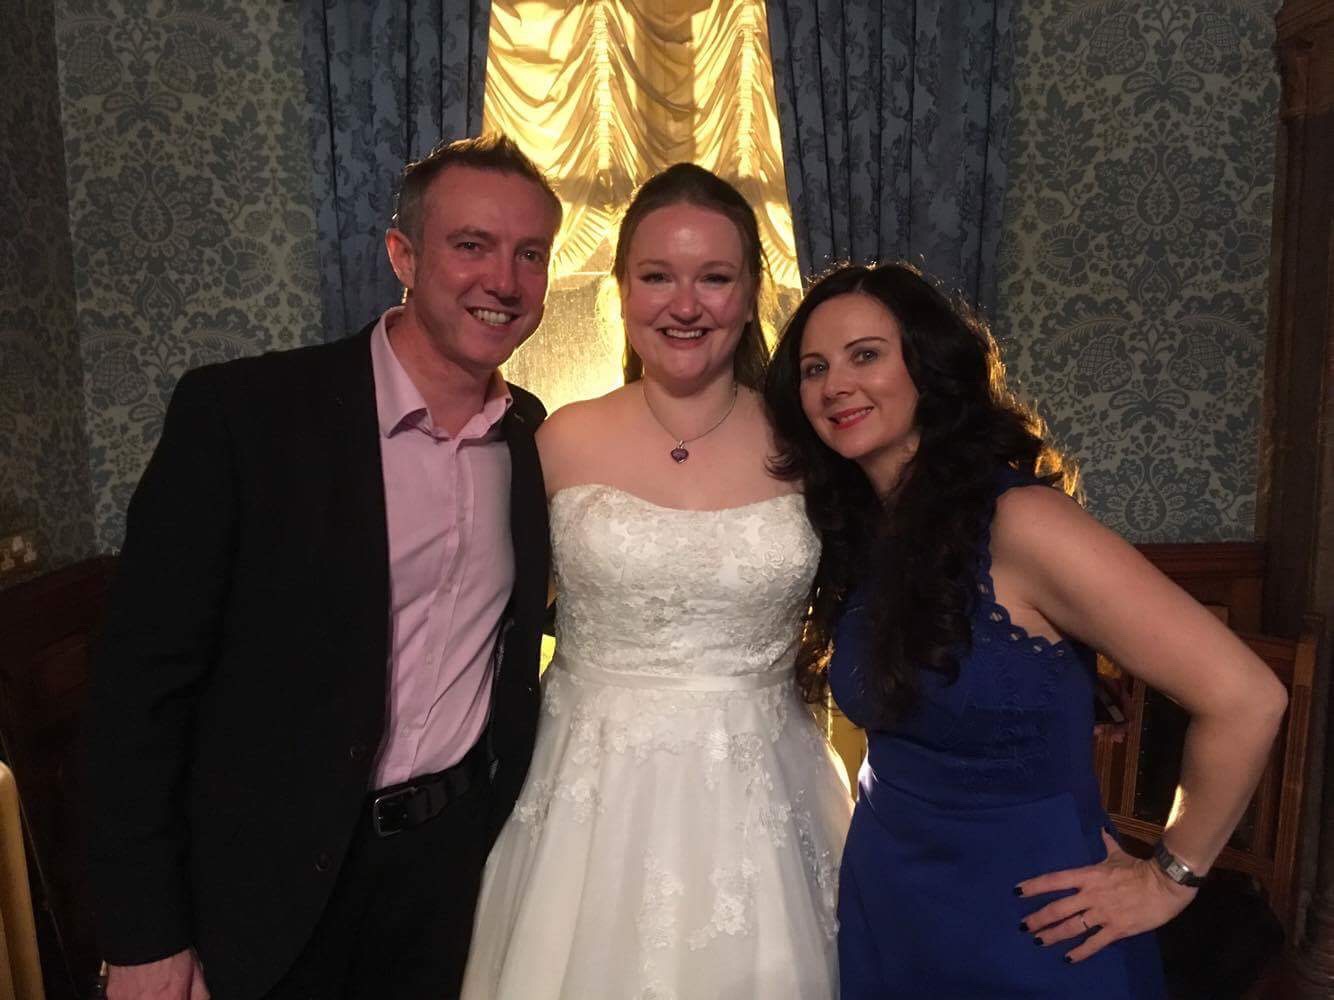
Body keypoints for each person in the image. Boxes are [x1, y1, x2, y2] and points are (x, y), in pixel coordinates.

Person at [86, 134, 562, 1000]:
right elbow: (137, 694)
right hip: (269, 883)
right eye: (471, 245)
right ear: (402, 256)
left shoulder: (529, 440)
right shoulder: (245, 416)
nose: (503, 280)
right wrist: (143, 934)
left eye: (530, 254)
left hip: (449, 876)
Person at [763, 261, 1288, 998]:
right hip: (891, 900)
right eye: (815, 368)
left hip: (1036, 917)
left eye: (866, 355)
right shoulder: (859, 532)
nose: (835, 385)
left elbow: (1247, 698)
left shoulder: (1021, 522)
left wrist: (1170, 878)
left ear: (927, 368)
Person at [460, 163, 852, 999]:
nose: (685, 305)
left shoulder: (814, 442)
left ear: (751, 293)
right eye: (657, 276)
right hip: (585, 797)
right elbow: (479, 616)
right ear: (621, 289)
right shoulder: (557, 440)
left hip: (761, 796)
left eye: (714, 278)